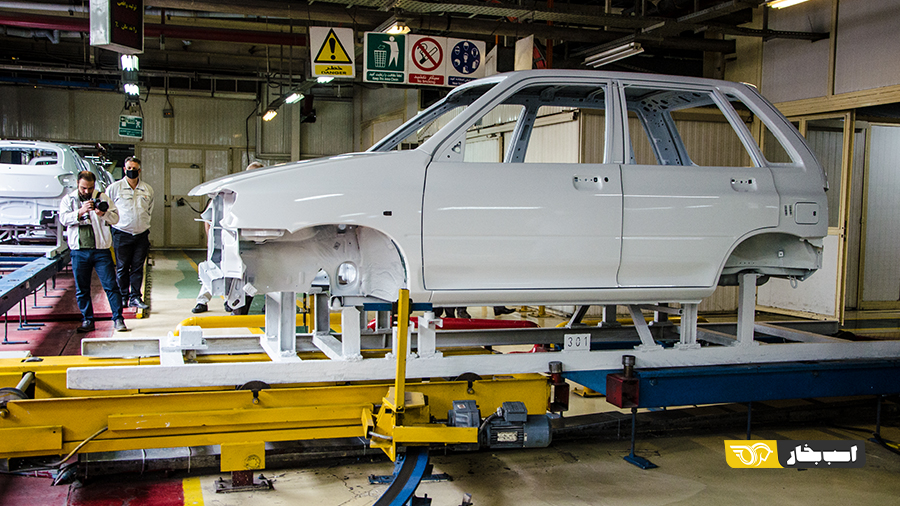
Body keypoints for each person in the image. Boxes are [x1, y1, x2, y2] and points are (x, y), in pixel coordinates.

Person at [59, 171, 128, 333]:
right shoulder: (69, 200)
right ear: (77, 184)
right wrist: (81, 211)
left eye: (90, 188)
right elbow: (63, 219)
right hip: (79, 251)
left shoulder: (102, 198)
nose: (87, 191)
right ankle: (87, 320)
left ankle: (118, 318)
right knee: (82, 288)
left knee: (111, 286)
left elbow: (116, 219)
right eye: (83, 188)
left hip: (101, 251)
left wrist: (103, 214)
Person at [193, 161, 264, 314]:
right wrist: (212, 240)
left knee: (249, 275)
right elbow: (208, 218)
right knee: (216, 269)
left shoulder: (263, 195)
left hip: (250, 244)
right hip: (226, 241)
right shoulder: (232, 192)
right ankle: (202, 301)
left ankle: (234, 303)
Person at [107, 156, 154, 310]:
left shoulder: (147, 189)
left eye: (134, 169)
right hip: (122, 233)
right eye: (129, 168)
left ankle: (135, 297)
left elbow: (149, 210)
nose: (131, 171)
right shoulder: (114, 188)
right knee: (122, 268)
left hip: (141, 235)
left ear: (139, 171)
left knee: (137, 268)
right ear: (124, 169)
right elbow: (108, 210)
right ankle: (123, 297)